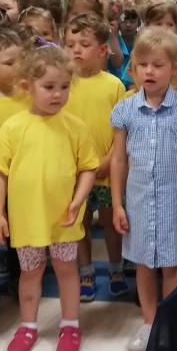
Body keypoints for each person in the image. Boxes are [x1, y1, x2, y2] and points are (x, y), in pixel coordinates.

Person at [0, 46, 99, 351]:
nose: (58, 94)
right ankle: (28, 326)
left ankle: (70, 325)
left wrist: (78, 199)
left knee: (66, 269)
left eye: (64, 86)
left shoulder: (75, 127)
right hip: (27, 219)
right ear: (28, 86)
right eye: (49, 86)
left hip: (64, 218)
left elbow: (89, 167)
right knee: (31, 271)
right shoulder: (13, 127)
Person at [111, 28, 177, 351]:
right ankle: (150, 322)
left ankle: (172, 321)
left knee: (172, 265)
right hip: (137, 202)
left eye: (158, 65)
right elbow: (118, 159)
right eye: (143, 65)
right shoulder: (124, 110)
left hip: (172, 202)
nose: (149, 71)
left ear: (174, 68)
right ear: (133, 68)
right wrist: (117, 204)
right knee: (143, 265)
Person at [63, 15, 127, 302]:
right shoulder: (63, 84)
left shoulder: (114, 85)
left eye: (84, 44)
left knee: (112, 224)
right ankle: (86, 271)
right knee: (80, 223)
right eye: (70, 44)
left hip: (107, 169)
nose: (76, 49)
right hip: (74, 171)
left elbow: (122, 131)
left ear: (102, 50)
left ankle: (116, 268)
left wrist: (109, 159)